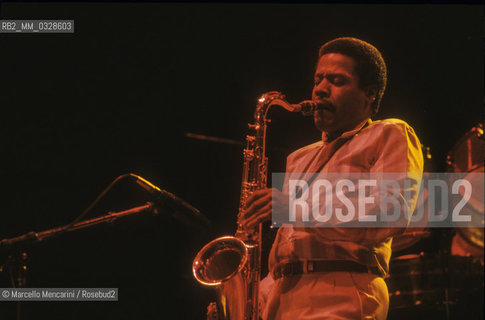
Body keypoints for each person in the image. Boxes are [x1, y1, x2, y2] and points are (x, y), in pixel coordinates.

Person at [241, 37, 424, 320]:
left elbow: (391, 212)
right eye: (318, 79)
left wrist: (294, 209)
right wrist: (255, 297)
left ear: (370, 93)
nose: (321, 90)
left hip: (343, 296)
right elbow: (291, 247)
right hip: (283, 301)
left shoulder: (390, 132)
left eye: (337, 81)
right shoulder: (298, 157)